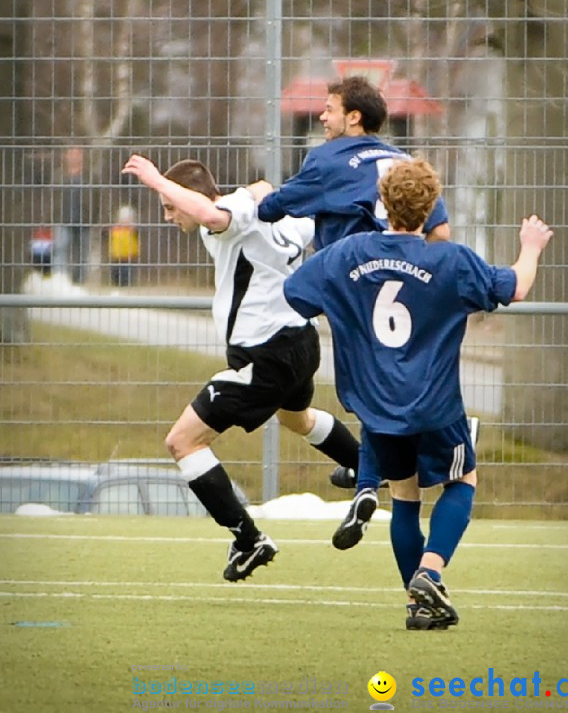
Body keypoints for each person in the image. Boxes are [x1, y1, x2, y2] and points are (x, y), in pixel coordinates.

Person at [283, 157, 553, 629]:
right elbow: (516, 287)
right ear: (432, 208)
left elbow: (296, 292)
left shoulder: (346, 254)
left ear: (382, 202)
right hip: (434, 404)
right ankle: (430, 573)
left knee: (405, 500)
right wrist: (530, 247)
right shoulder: (450, 260)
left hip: (376, 407)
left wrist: (349, 309)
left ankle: (419, 606)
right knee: (462, 480)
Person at [121, 153, 360, 583]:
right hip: (301, 344)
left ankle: (249, 540)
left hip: (265, 356)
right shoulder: (276, 218)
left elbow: (211, 211)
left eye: (170, 207)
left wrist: (157, 180)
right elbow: (273, 200)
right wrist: (259, 188)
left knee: (182, 442)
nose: (169, 215)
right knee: (296, 418)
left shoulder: (230, 220)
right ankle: (364, 465)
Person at [250, 75, 451, 549]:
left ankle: (368, 479)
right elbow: (440, 236)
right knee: (399, 383)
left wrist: (261, 196)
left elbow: (275, 209)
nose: (322, 116)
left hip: (356, 284)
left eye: (329, 108)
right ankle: (370, 478)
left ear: (353, 117)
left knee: (363, 390)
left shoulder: (327, 159)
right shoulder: (405, 163)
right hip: (413, 286)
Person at [53, 146, 89, 284]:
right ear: (66, 157)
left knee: (82, 254)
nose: (74, 158)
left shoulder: (89, 177)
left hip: (83, 220)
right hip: (63, 219)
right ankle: (60, 280)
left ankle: (80, 282)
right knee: (61, 249)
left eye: (77, 154)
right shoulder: (59, 176)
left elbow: (98, 197)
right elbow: (52, 199)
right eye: (71, 154)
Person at [109, 205, 140, 287]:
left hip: (128, 255)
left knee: (127, 271)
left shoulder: (133, 229)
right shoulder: (115, 228)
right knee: (116, 271)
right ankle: (116, 283)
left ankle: (127, 284)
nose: (125, 221)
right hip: (117, 255)